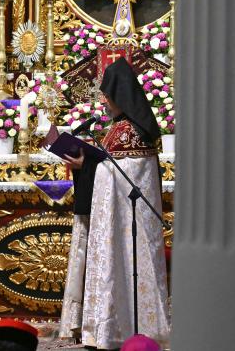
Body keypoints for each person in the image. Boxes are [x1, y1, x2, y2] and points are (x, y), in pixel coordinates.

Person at [59, 58, 170, 349]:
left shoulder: (130, 131)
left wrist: (87, 164)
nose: (105, 101)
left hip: (128, 223)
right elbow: (108, 165)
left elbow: (121, 175)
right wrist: (89, 163)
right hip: (119, 222)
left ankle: (123, 331)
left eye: (108, 95)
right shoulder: (122, 126)